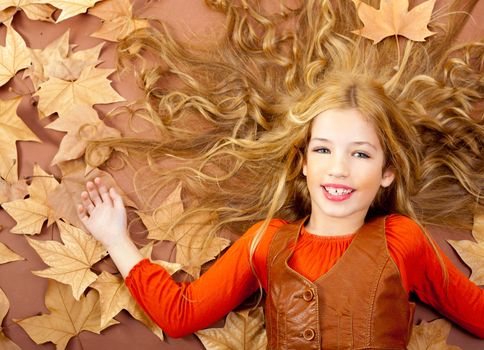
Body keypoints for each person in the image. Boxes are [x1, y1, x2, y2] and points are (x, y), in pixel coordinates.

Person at [79, 0, 484, 348]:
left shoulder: (403, 242)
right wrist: (115, 237)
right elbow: (181, 315)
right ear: (304, 163)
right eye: (323, 149)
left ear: (387, 173)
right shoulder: (266, 242)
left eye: (360, 154)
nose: (338, 169)